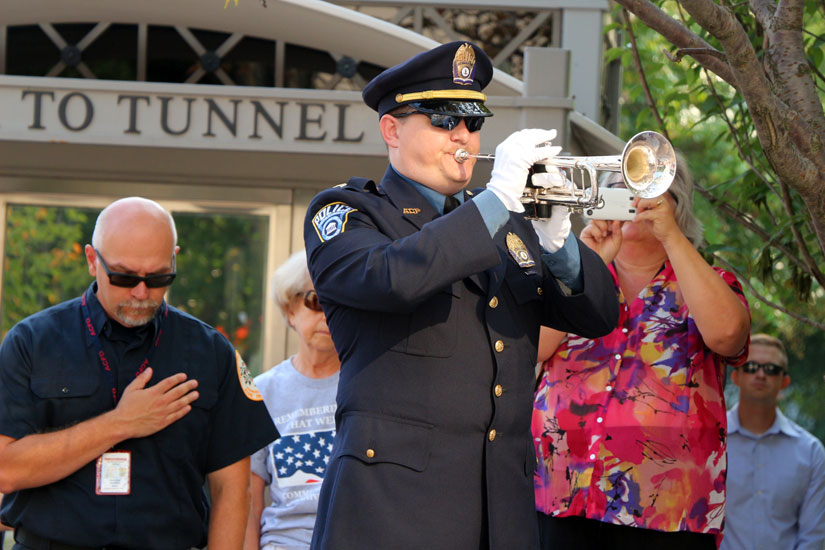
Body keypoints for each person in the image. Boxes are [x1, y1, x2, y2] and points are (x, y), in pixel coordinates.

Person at [303, 41, 619, 550]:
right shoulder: (349, 213)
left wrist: (560, 244)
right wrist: (497, 200)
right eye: (443, 120)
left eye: (473, 123)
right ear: (391, 129)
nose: (463, 136)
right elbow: (393, 278)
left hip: (501, 516)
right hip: (392, 513)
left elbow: (601, 316)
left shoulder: (503, 223)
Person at [0, 197, 279, 550]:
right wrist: (121, 423)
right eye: (123, 276)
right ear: (91, 261)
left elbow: (233, 489)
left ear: (174, 258)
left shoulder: (211, 352)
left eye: (159, 277)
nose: (141, 292)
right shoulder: (31, 342)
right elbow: (6, 470)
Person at [532, 158, 751, 549]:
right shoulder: (576, 273)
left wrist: (671, 237)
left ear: (675, 203)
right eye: (619, 186)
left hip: (669, 513)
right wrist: (584, 265)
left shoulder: (709, 281)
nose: (631, 196)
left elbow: (729, 336)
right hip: (560, 496)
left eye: (646, 187)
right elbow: (532, 347)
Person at [244, 250, 340, 550]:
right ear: (289, 310)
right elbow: (248, 501)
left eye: (338, 304)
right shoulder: (261, 391)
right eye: (315, 301)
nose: (326, 316)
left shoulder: (369, 387)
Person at [722, 333, 825, 550]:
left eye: (771, 369)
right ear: (736, 376)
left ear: (784, 381)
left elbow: (814, 536)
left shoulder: (811, 452)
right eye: (751, 367)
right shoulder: (712, 443)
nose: (760, 374)